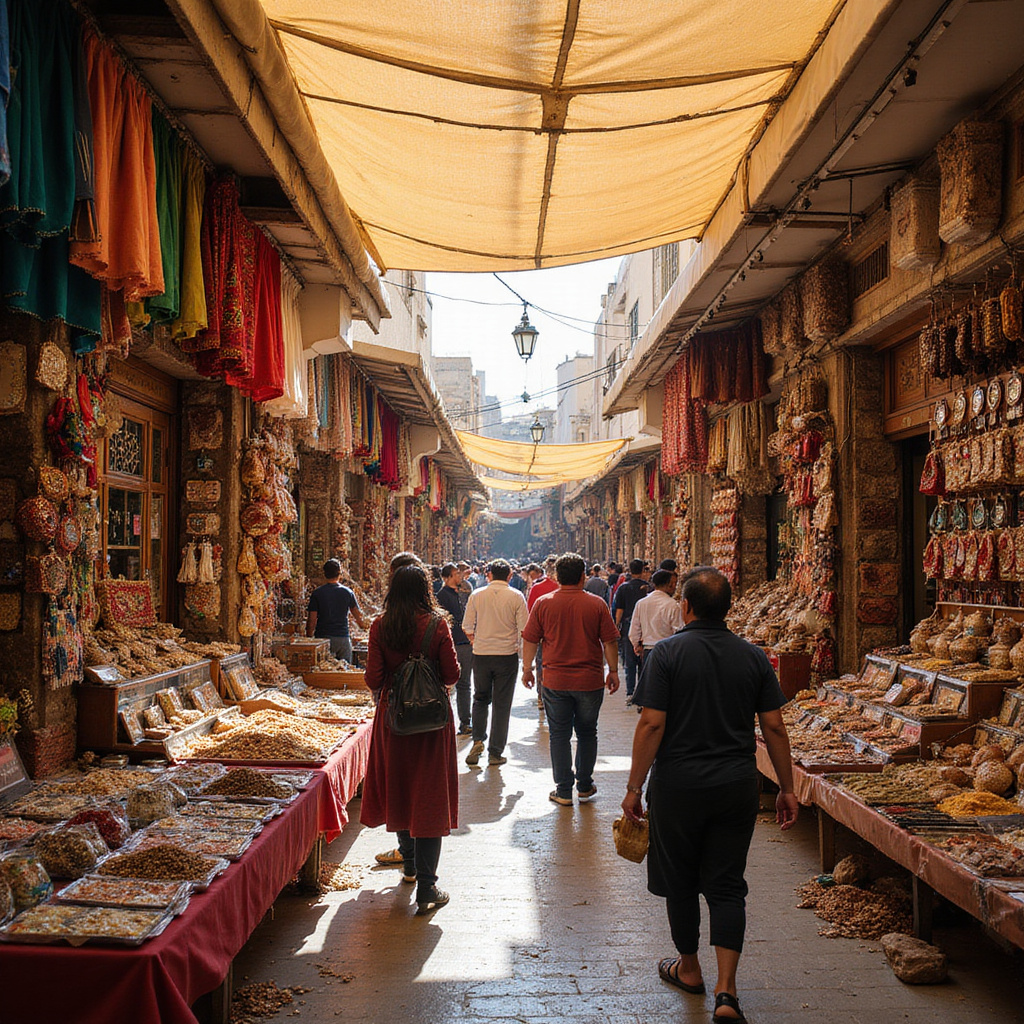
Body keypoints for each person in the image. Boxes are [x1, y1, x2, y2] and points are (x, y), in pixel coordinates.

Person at [621, 567, 799, 1023]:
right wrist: (787, 788)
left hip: (678, 786)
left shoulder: (667, 655)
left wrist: (633, 788)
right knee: (725, 884)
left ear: (686, 606)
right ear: (730, 608)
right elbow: (774, 726)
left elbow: (652, 723)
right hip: (735, 785)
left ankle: (691, 968)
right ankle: (727, 991)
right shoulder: (753, 656)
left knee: (679, 881)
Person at [361, 565, 461, 915]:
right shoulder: (437, 625)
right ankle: (427, 887)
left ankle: (409, 864)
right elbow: (451, 673)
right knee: (429, 796)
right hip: (432, 724)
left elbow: (373, 677)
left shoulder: (380, 625)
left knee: (400, 788)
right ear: (425, 590)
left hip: (393, 719)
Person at [521, 552, 620, 806]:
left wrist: (528, 669)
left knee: (559, 734)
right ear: (583, 576)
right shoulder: (596, 604)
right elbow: (609, 640)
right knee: (587, 732)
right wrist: (613, 670)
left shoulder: (543, 603)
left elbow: (530, 638)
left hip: (555, 681)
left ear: (556, 576)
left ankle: (564, 789)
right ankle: (584, 785)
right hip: (589, 680)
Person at [463, 559, 529, 767]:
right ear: (510, 576)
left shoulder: (477, 595)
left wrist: (478, 641)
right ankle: (495, 751)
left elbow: (467, 626)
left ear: (489, 574)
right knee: (502, 704)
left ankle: (478, 739)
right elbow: (524, 630)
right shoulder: (516, 596)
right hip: (506, 656)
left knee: (480, 698)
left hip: (481, 654)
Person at [436, 562, 473, 736]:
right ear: (449, 577)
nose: (460, 576)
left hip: (465, 642)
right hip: (450, 642)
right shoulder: (442, 596)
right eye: (457, 574)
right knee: (447, 684)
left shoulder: (464, 591)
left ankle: (465, 722)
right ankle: (443, 721)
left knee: (465, 683)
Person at [305, 559, 368, 663]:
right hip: (343, 639)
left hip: (323, 639)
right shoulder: (348, 592)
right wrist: (364, 627)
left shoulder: (317, 593)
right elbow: (359, 617)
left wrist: (309, 638)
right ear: (340, 573)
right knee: (345, 671)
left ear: (324, 573)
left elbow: (312, 620)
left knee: (324, 671)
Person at [628, 568, 684, 675]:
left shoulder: (641, 603)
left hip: (648, 650)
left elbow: (634, 629)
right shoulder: (672, 605)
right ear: (670, 585)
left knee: (651, 683)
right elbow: (678, 630)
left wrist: (636, 645)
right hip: (667, 651)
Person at [612, 559, 651, 701]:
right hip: (645, 625)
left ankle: (630, 691)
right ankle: (641, 692)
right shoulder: (648, 588)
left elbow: (619, 609)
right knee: (643, 659)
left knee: (630, 661)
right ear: (642, 571)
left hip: (628, 626)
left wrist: (617, 626)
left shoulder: (623, 588)